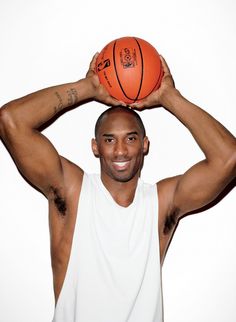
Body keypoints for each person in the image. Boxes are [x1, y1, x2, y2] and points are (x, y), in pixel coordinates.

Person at [0, 53, 235, 322]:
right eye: (109, 140)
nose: (120, 151)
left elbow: (228, 158)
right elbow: (11, 120)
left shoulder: (160, 203)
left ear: (144, 144)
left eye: (130, 138)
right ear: (95, 147)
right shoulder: (73, 191)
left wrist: (170, 97)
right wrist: (88, 87)